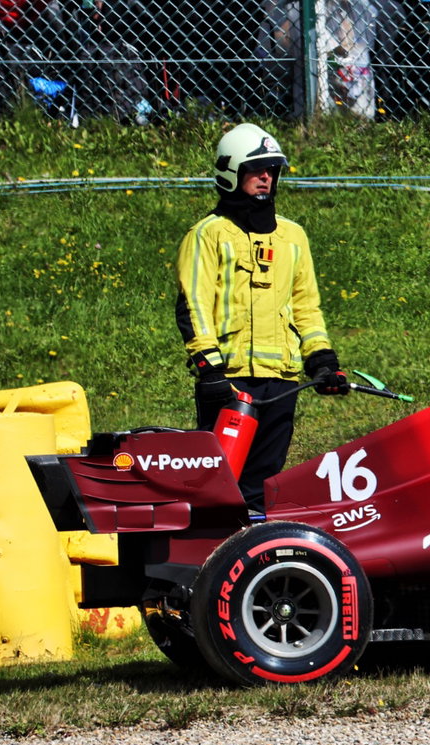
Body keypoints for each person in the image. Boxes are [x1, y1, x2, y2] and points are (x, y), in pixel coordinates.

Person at [176, 123, 349, 510]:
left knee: (262, 485)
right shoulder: (208, 234)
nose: (266, 177)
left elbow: (306, 306)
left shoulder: (293, 237)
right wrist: (210, 371)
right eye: (256, 169)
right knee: (219, 485)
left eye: (272, 169)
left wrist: (322, 360)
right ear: (231, 173)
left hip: (281, 382)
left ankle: (251, 550)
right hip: (230, 381)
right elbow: (193, 304)